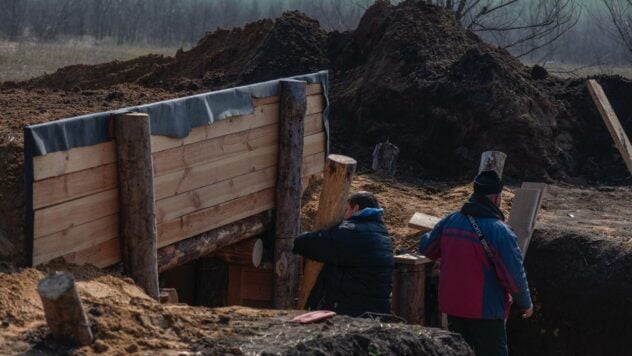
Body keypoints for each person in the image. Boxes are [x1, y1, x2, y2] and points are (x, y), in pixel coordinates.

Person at [418, 170, 533, 356]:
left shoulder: (450, 220)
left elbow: (427, 249)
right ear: (497, 198)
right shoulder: (501, 232)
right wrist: (525, 303)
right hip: (486, 311)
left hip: (453, 305)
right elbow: (513, 275)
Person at [292, 191, 393, 317]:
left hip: (352, 310)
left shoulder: (352, 231)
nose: (343, 216)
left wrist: (294, 239)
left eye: (345, 210)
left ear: (355, 207)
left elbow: (311, 243)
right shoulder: (382, 233)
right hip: (376, 310)